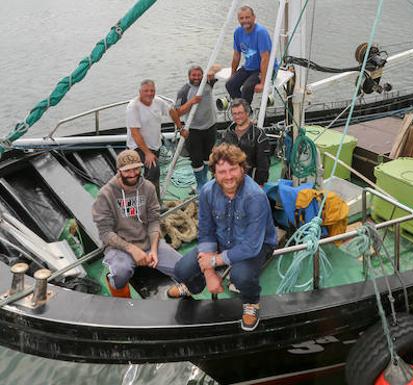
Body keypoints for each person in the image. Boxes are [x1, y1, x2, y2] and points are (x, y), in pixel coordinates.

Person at [171, 143, 277, 331]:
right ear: (214, 173)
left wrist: (214, 261)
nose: (228, 176)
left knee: (240, 276)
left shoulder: (255, 197)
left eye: (233, 169)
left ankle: (251, 303)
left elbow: (252, 245)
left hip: (256, 245)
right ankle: (194, 286)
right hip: (221, 240)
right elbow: (206, 230)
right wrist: (210, 273)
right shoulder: (207, 192)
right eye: (222, 171)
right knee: (181, 270)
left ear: (242, 168)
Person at [92, 149, 184, 298]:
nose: (133, 173)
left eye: (136, 168)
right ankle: (120, 293)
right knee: (121, 273)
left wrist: (154, 249)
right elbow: (105, 233)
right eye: (127, 170)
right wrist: (132, 250)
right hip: (119, 246)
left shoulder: (148, 187)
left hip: (148, 241)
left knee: (184, 268)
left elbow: (154, 220)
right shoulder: (105, 194)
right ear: (119, 170)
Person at [127, 79, 185, 200]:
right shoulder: (133, 107)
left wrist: (180, 127)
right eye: (146, 91)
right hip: (138, 147)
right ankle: (149, 204)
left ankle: (155, 204)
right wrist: (147, 153)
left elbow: (171, 111)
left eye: (152, 91)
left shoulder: (158, 102)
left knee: (154, 175)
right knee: (153, 171)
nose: (149, 93)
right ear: (140, 92)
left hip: (155, 145)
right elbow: (135, 133)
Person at [175, 65, 220, 190]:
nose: (196, 78)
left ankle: (205, 178)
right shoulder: (184, 90)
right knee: (196, 158)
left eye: (199, 75)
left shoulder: (208, 82)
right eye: (193, 75)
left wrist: (211, 72)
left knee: (208, 156)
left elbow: (218, 67)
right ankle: (200, 183)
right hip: (193, 130)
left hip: (210, 126)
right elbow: (177, 112)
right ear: (189, 76)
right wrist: (191, 102)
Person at [225, 5, 272, 106]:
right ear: (238, 19)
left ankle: (244, 112)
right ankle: (245, 110)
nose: (245, 21)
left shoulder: (260, 32)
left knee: (247, 88)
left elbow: (265, 58)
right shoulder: (238, 32)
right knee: (230, 84)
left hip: (262, 68)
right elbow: (236, 55)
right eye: (241, 18)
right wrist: (232, 74)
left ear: (254, 18)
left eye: (247, 17)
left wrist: (263, 83)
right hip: (248, 67)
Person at [222, 98, 270, 186]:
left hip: (251, 180)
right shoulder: (227, 134)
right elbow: (221, 158)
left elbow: (263, 162)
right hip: (231, 179)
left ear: (247, 113)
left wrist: (260, 183)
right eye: (234, 114)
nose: (237, 117)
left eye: (240, 113)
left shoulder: (258, 135)